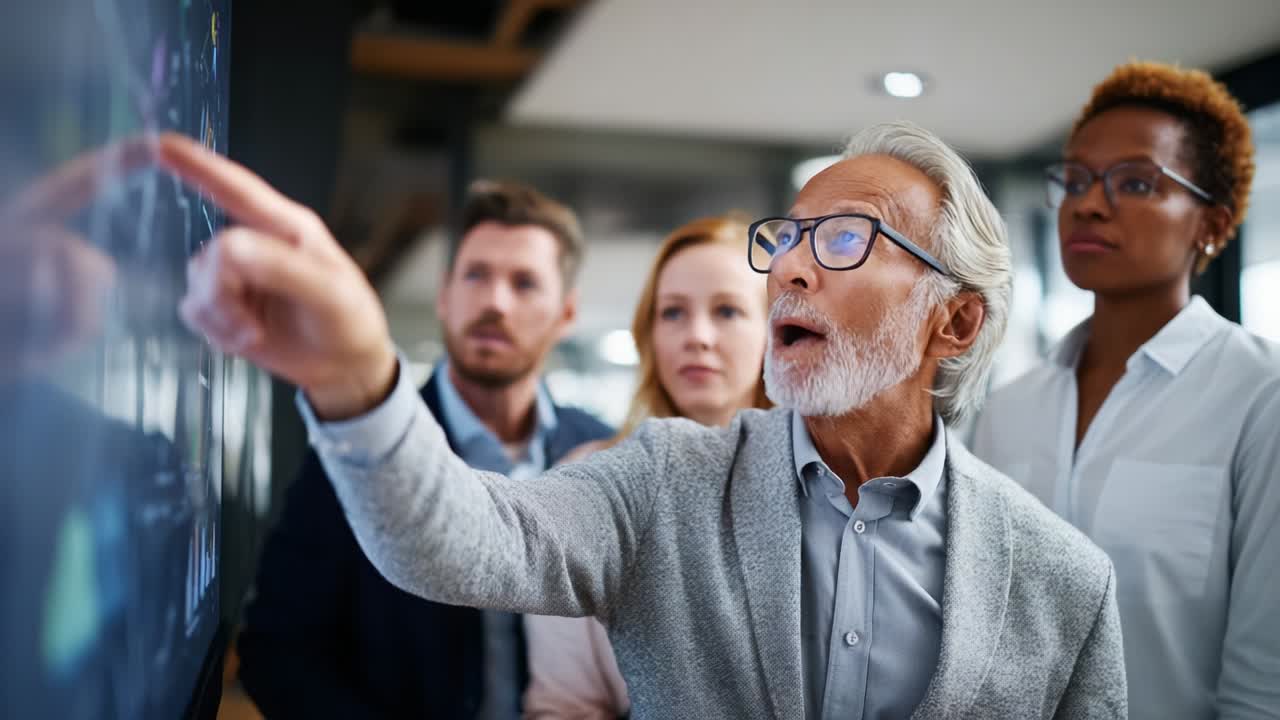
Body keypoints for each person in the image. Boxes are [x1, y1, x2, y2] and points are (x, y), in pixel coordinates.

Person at [163, 120, 1128, 719]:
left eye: (843, 238)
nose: (789, 266)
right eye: (785, 237)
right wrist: (358, 374)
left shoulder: (1066, 584)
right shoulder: (665, 477)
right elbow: (464, 542)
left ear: (955, 319)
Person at [234, 180, 613, 719]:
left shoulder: (600, 455)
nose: (494, 302)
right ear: (444, 294)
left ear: (566, 314)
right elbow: (277, 647)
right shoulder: (364, 450)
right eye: (476, 275)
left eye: (524, 283)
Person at [972, 61, 1280, 719]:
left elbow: (1264, 683)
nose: (1088, 202)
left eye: (1136, 181)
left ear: (1211, 223)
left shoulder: (1262, 397)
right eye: (1076, 178)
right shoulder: (1007, 408)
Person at [522, 215, 770, 720]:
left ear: (776, 330)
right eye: (673, 312)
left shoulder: (827, 484)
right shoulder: (592, 478)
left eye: (727, 310)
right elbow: (564, 705)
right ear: (649, 332)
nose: (697, 336)